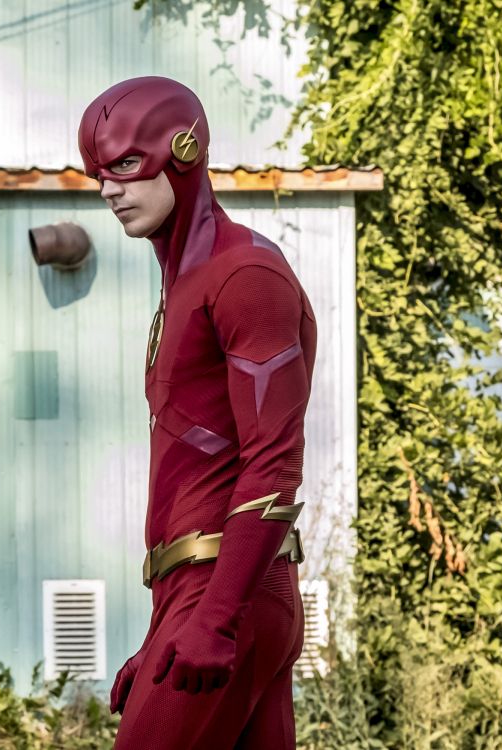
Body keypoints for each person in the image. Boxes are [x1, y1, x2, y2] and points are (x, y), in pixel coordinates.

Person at [78, 76, 316, 749]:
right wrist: (162, 632)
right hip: (206, 592)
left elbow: (273, 462)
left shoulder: (243, 276)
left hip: (232, 590)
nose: (109, 190)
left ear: (183, 151)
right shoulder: (187, 283)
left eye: (127, 165)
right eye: (100, 174)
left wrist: (213, 618)